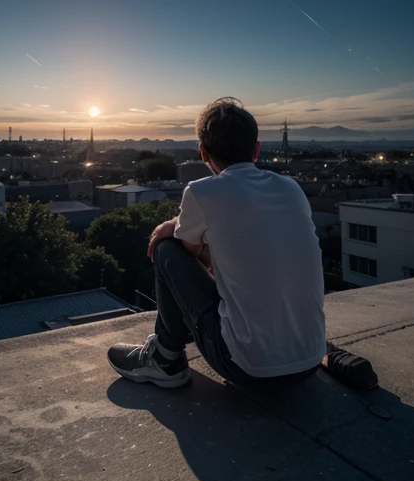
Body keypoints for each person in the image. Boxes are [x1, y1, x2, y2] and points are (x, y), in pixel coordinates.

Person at [108, 97, 326, 389]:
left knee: (167, 248)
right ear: (257, 149)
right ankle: (167, 351)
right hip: (310, 360)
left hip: (248, 367)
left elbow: (188, 251)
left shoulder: (202, 191)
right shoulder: (291, 188)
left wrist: (169, 226)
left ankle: (165, 358)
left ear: (203, 152)